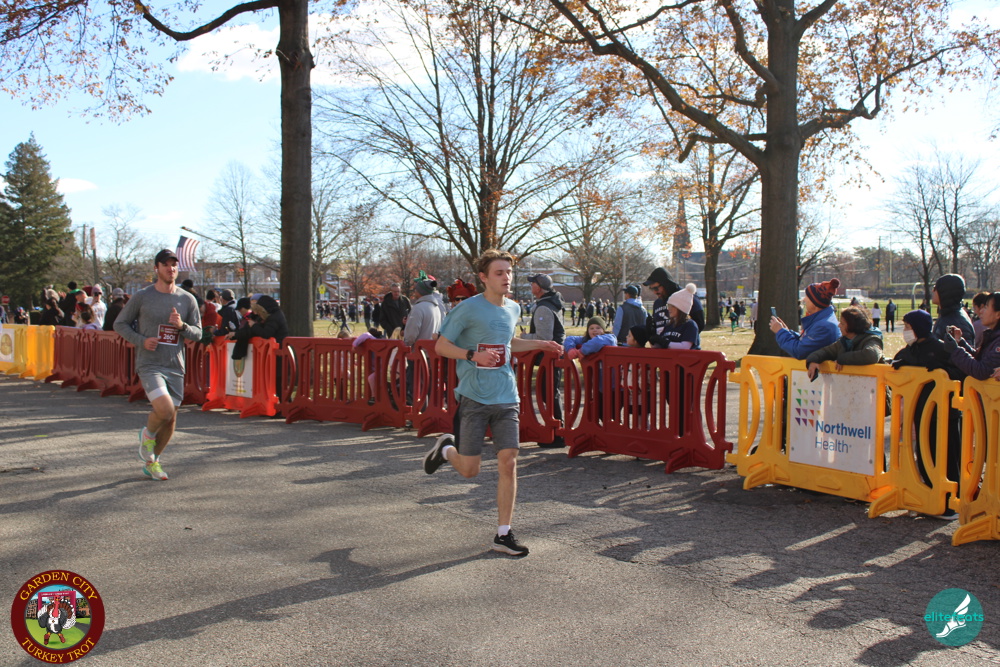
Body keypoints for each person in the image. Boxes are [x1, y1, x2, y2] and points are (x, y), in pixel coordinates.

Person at [422, 249, 562, 557]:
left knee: (508, 461)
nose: (506, 278)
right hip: (474, 397)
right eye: (499, 273)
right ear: (484, 277)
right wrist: (473, 355)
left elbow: (509, 343)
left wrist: (541, 344)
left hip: (506, 396)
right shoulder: (468, 309)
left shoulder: (513, 308)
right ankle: (446, 449)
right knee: (469, 470)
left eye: (509, 272)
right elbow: (441, 346)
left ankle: (503, 534)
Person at [113, 249, 203, 481]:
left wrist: (182, 326)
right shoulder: (143, 296)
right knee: (164, 409)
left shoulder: (187, 299)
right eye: (165, 265)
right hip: (150, 363)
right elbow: (120, 324)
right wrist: (141, 340)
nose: (171, 269)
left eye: (174, 265)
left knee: (171, 418)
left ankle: (153, 462)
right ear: (156, 269)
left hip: (175, 365)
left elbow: (198, 334)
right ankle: (148, 434)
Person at [891, 309, 963, 518]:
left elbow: (960, 373)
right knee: (924, 456)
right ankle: (930, 498)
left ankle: (950, 505)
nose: (905, 331)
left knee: (946, 457)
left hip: (945, 414)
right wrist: (899, 364)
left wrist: (943, 370)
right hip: (921, 412)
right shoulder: (911, 349)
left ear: (919, 328)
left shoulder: (940, 348)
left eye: (908, 327)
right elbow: (899, 359)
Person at [520, 273, 566, 448]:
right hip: (553, 355)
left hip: (550, 356)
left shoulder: (544, 308)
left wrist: (525, 337)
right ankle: (557, 432)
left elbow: (543, 338)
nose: (530, 286)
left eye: (532, 283)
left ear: (538, 287)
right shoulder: (553, 302)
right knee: (550, 392)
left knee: (548, 393)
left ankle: (557, 435)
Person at [769, 278, 841, 359]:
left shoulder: (824, 326)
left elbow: (799, 351)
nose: (804, 299)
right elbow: (807, 341)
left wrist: (780, 332)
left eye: (807, 297)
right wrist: (786, 331)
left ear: (815, 303)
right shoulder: (824, 320)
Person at [805, 306, 885, 378]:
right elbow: (825, 352)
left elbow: (871, 355)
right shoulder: (843, 342)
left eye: (842, 323)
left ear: (852, 326)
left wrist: (841, 358)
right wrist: (813, 361)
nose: (839, 325)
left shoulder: (872, 339)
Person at [945, 291, 1000, 381]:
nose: (981, 311)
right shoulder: (993, 336)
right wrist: (960, 342)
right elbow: (979, 358)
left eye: (986, 307)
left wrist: (955, 350)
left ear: (998, 314)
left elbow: (981, 371)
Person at [931, 274, 973, 343]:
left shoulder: (956, 322)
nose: (932, 291)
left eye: (935, 288)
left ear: (945, 291)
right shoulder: (947, 315)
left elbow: (962, 348)